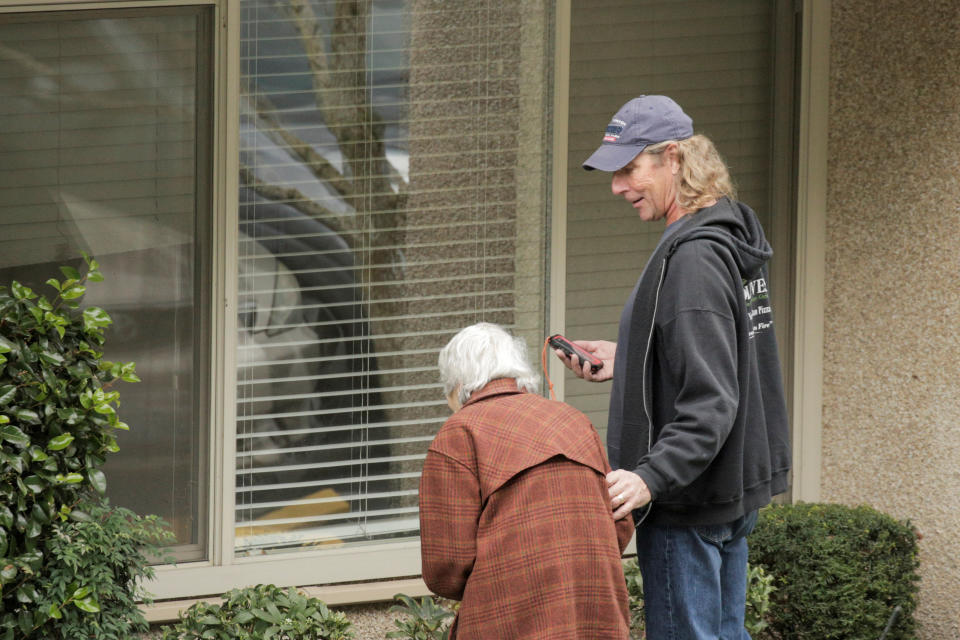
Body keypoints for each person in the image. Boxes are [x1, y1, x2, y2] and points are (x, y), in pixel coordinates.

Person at [555, 95, 791, 639]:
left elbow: (712, 399)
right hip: (724, 490)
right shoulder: (726, 236)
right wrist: (632, 358)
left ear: (674, 160)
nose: (617, 186)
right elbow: (723, 355)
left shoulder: (693, 260)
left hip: (687, 502)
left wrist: (649, 477)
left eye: (630, 169)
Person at [419, 322, 633, 639]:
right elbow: (619, 522)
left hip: (511, 619)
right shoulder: (573, 420)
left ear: (459, 383)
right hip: (593, 611)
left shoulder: (459, 433)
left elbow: (446, 567)